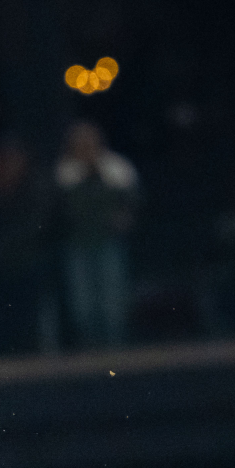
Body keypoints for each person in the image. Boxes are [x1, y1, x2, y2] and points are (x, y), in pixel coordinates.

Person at [53, 122, 140, 350]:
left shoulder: (117, 168)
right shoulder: (65, 173)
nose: (85, 147)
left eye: (89, 142)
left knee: (113, 301)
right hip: (77, 245)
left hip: (109, 242)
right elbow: (58, 211)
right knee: (82, 304)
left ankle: (116, 351)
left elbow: (133, 202)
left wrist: (124, 217)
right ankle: (90, 353)